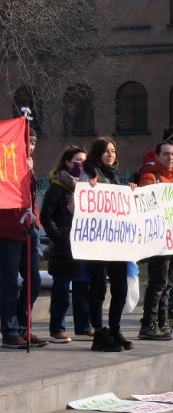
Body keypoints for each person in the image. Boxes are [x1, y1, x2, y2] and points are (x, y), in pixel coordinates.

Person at [0, 127, 45, 349]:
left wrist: (36, 221)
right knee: (10, 283)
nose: (29, 147)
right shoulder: (1, 166)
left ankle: (23, 327)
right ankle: (10, 332)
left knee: (34, 282)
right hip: (8, 230)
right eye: (25, 143)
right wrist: (19, 170)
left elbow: (32, 198)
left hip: (28, 229)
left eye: (32, 143)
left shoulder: (29, 167)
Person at [84, 136, 136, 352]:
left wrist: (130, 193)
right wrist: (88, 185)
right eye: (106, 151)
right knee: (97, 289)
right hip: (98, 243)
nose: (110, 154)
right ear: (97, 154)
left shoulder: (115, 178)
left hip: (117, 244)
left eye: (113, 151)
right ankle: (100, 332)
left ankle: (115, 328)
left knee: (120, 288)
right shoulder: (89, 175)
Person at [40, 145, 92, 344]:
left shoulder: (87, 187)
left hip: (82, 247)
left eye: (85, 161)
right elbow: (47, 216)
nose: (82, 164)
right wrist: (59, 237)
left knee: (82, 288)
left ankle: (84, 327)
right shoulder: (57, 187)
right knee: (61, 290)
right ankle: (56, 330)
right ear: (68, 163)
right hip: (64, 248)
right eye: (78, 160)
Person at [136, 140, 173, 341]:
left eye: (172, 154)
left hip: (171, 240)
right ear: (157, 156)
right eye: (166, 154)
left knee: (168, 284)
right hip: (159, 241)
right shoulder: (150, 178)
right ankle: (147, 324)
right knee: (158, 283)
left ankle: (162, 323)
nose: (170, 158)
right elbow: (144, 208)